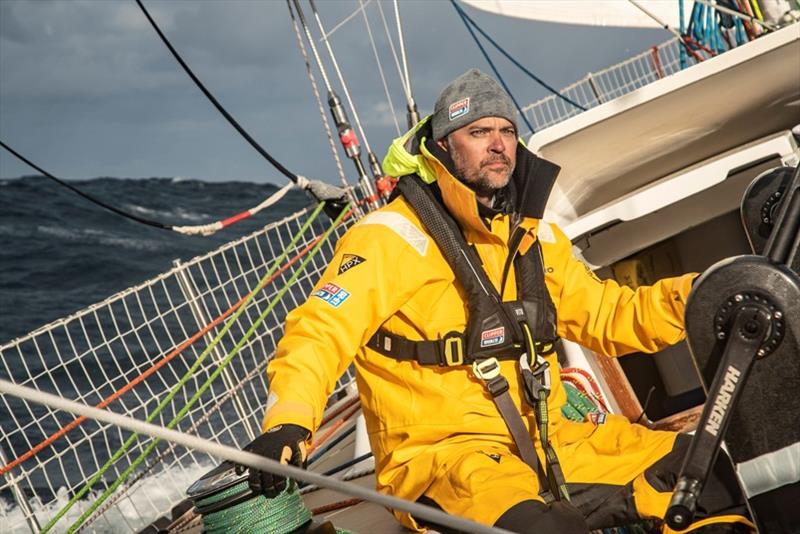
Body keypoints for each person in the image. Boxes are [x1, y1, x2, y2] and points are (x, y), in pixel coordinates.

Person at [246, 69, 752, 533]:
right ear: (442, 148)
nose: (498, 145)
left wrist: (712, 291)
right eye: (478, 132)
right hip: (448, 461)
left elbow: (610, 315)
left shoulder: (535, 239)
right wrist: (289, 422)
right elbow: (319, 331)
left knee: (703, 473)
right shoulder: (386, 238)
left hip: (558, 443)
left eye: (506, 131)